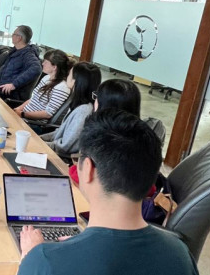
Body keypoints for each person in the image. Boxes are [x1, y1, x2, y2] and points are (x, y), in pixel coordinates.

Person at [18, 109, 198, 275]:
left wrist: (30, 258)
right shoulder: (181, 255)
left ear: (88, 169)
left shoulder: (45, 261)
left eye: (77, 159)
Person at [40, 62, 101, 158]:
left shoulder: (83, 111)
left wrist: (40, 144)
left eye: (69, 74)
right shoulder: (77, 102)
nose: (67, 76)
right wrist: (39, 139)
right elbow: (59, 132)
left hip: (59, 158)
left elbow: (65, 146)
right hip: (53, 150)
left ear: (75, 81)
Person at [14, 50, 73, 128]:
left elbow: (47, 114)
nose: (42, 64)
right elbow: (33, 99)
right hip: (24, 117)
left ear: (54, 67)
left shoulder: (62, 87)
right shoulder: (47, 77)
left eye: (46, 62)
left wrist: (22, 114)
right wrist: (17, 109)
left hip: (33, 123)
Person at [0, 25, 41, 100]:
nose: (12, 36)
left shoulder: (27, 54)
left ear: (19, 38)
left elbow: (37, 68)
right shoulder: (15, 51)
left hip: (8, 94)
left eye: (14, 34)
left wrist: (14, 84)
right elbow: (5, 69)